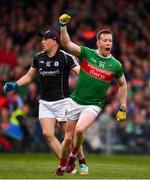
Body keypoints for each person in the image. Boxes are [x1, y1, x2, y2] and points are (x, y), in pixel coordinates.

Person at [3, 28, 89, 174]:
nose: (42, 42)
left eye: (45, 39)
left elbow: (81, 74)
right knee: (47, 134)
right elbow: (29, 76)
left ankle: (81, 161)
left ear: (54, 41)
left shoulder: (66, 57)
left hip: (63, 101)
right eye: (41, 39)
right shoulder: (38, 58)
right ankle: (67, 163)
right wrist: (15, 84)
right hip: (45, 102)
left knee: (69, 135)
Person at [55, 14, 127, 176]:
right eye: (105, 40)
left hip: (94, 104)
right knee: (67, 138)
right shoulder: (87, 54)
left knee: (80, 130)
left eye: (110, 40)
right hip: (75, 101)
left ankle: (73, 157)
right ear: (98, 42)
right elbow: (66, 44)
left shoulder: (115, 65)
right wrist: (62, 25)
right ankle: (63, 165)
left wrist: (123, 106)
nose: (108, 43)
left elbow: (123, 84)